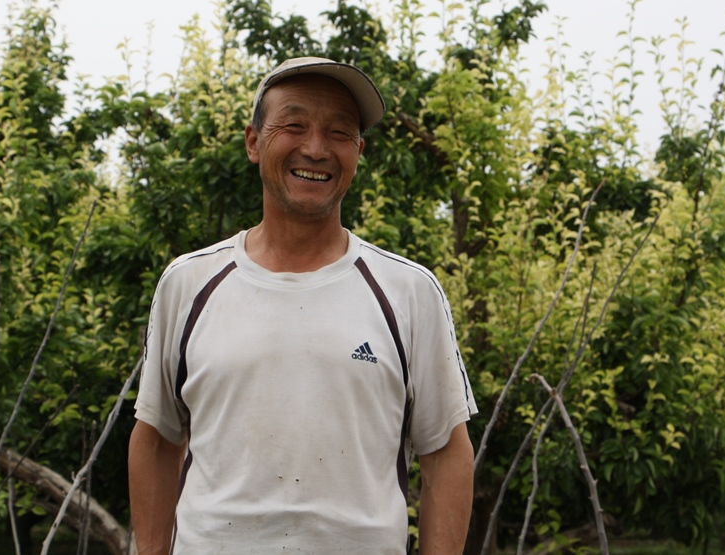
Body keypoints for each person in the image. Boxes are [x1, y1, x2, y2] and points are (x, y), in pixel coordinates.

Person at [128, 56, 477, 554]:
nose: (316, 149)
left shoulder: (409, 291)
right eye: (293, 125)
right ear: (253, 141)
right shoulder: (189, 283)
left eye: (339, 133)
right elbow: (157, 438)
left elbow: (445, 451)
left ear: (358, 151)